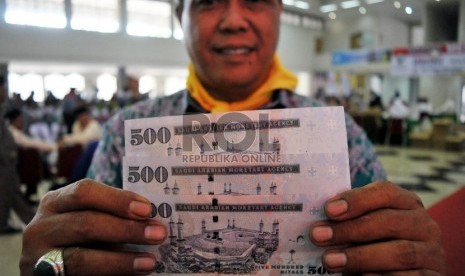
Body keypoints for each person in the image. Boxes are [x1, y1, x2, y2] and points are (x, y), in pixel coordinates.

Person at [20, 1, 446, 275]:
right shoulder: (124, 136)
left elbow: (387, 246)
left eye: (256, 0)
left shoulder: (341, 134)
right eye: (207, 2)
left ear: (279, 10)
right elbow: (85, 253)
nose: (233, 19)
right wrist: (56, 259)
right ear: (180, 17)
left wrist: (406, 252)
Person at [0, 76, 36, 235]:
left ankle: (34, 222)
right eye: (3, 88)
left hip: (7, 161)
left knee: (13, 193)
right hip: (3, 162)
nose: (5, 92)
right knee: (7, 192)